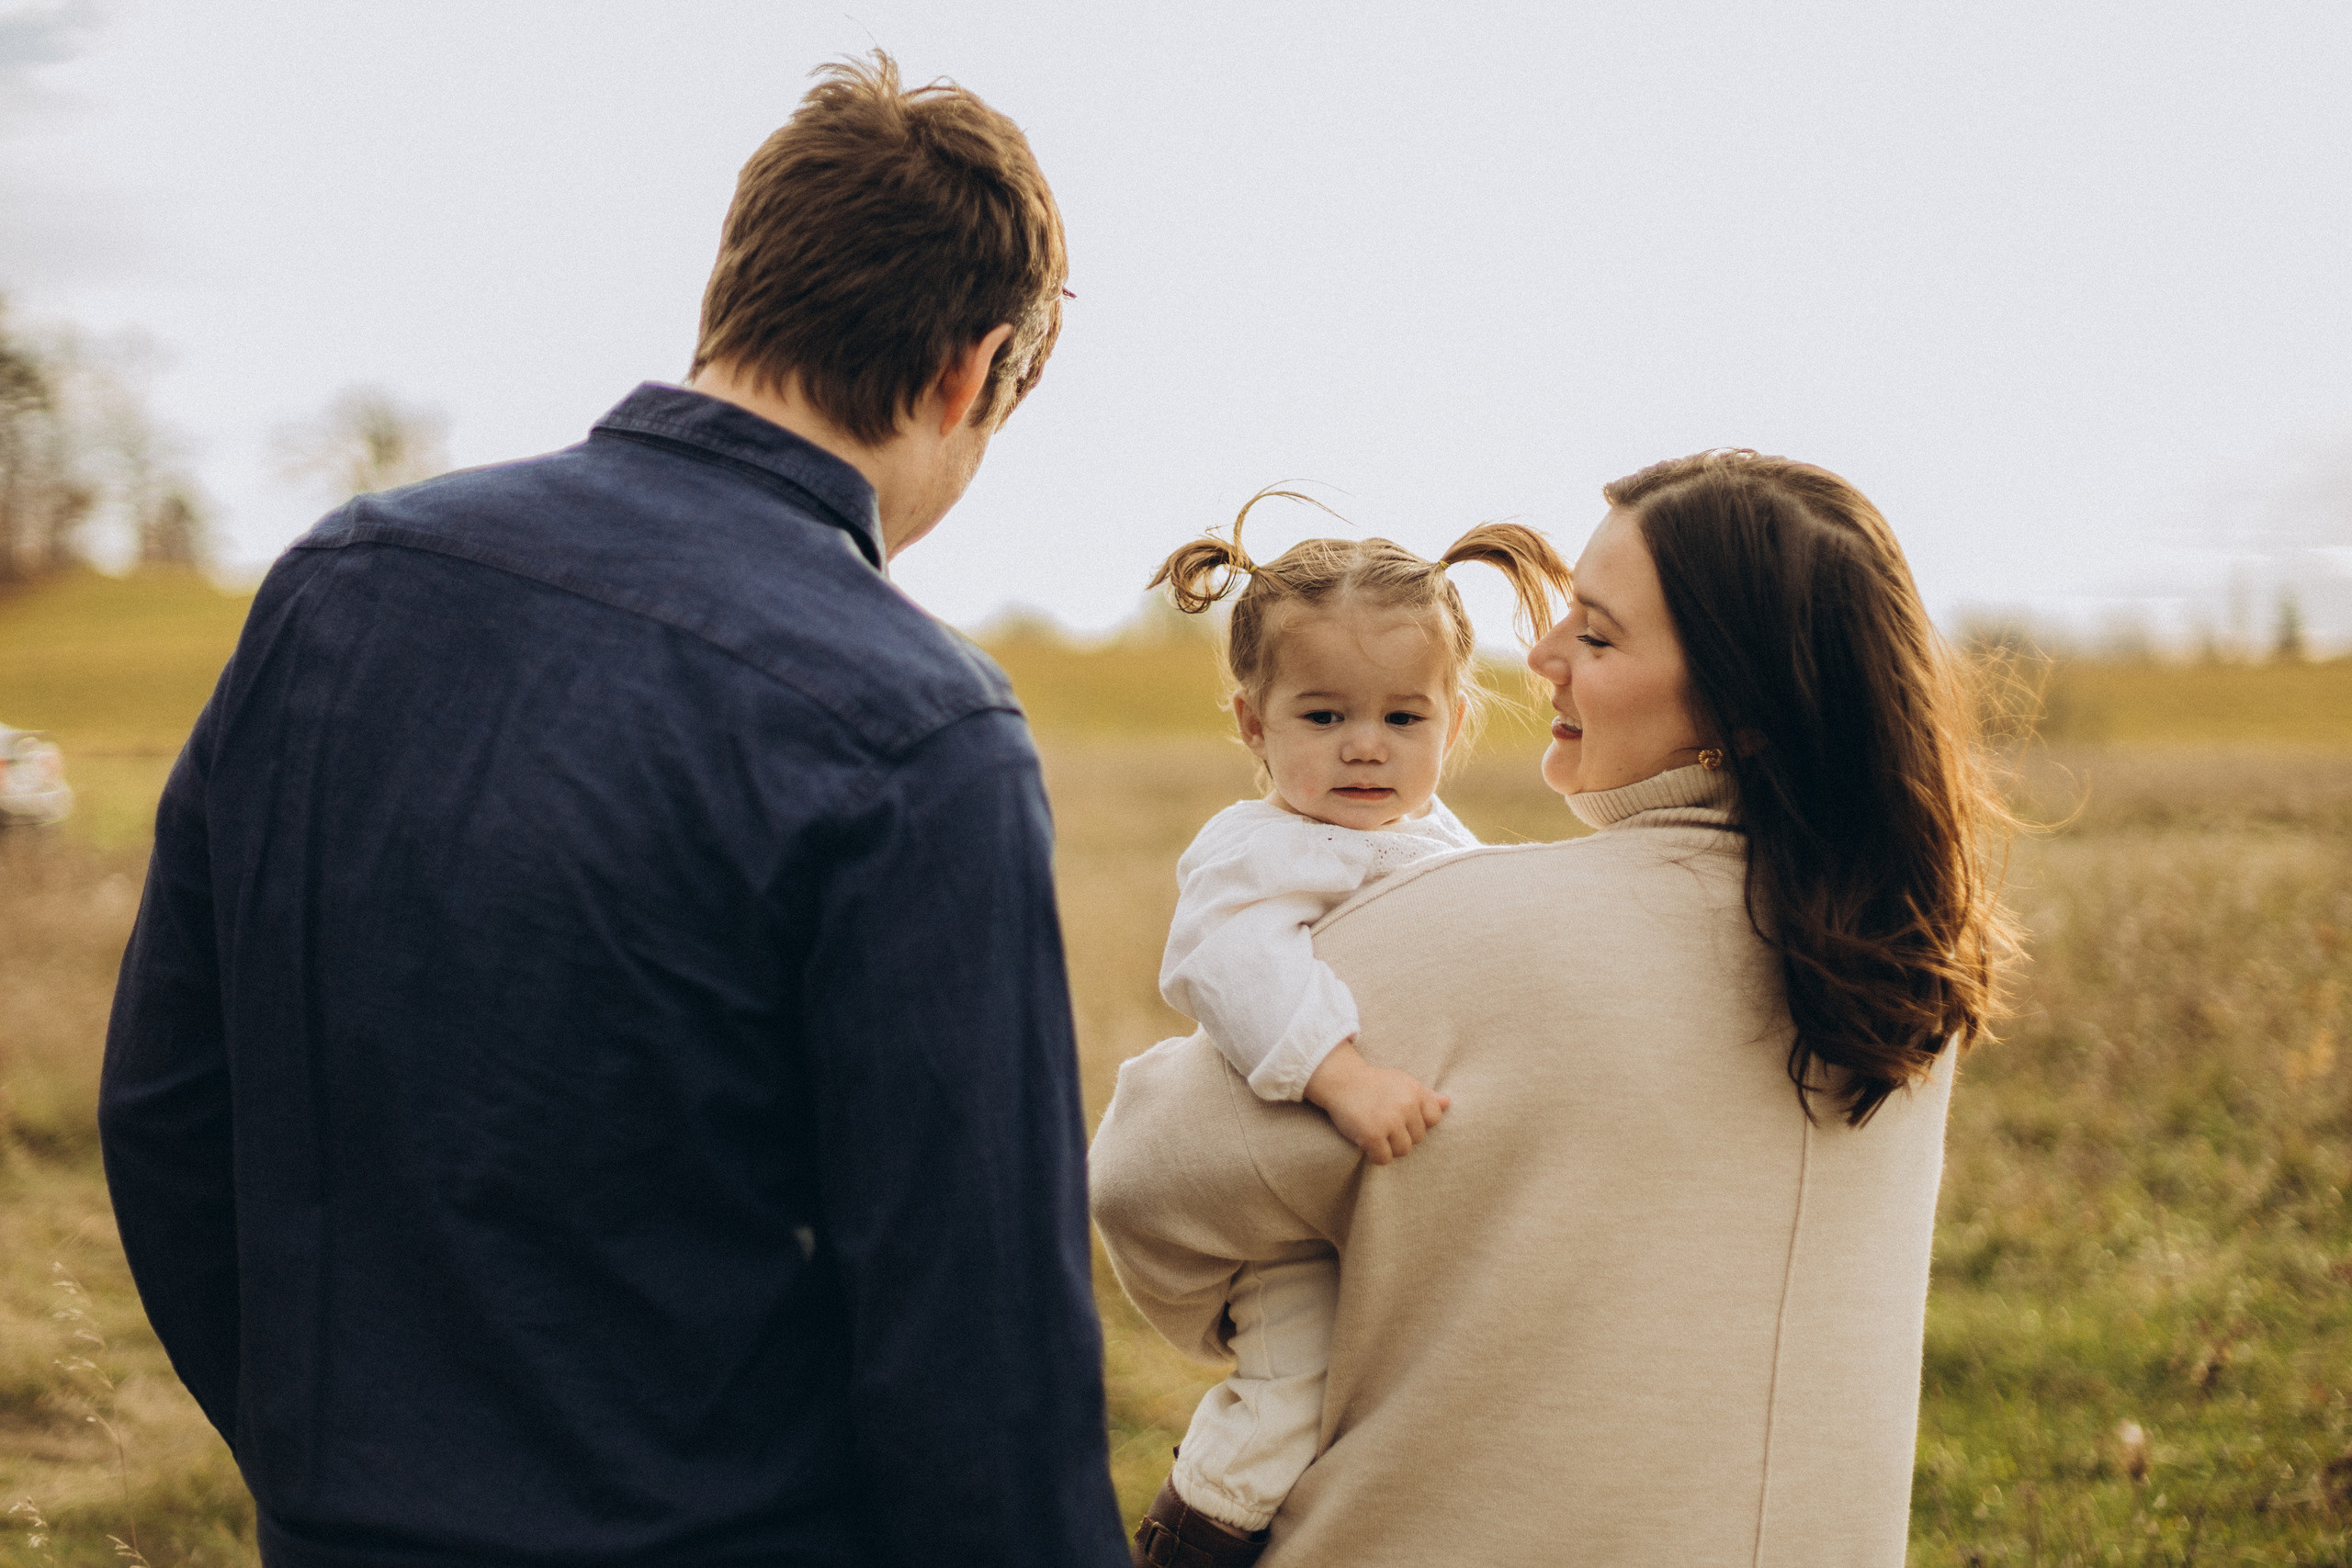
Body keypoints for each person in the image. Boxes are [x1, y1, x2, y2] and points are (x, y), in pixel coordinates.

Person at [100, 53, 1128, 1568]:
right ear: (970, 372)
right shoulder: (921, 730)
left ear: (736, 295)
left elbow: (169, 1107)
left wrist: (334, 1469)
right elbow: (978, 1358)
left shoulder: (341, 580)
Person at [1094, 449, 2016, 1566]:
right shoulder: (1896, 964)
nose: (1536, 657)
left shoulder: (1467, 932)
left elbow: (1147, 1176)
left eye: (1595, 632)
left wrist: (1324, 1315)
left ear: (1743, 699)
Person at [1128, 495, 1570, 1562]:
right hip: (1290, 1221)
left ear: (1455, 723)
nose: (1364, 749)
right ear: (1253, 724)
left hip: (1389, 1201)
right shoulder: (1260, 848)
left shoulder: (1434, 838)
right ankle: (1192, 1538)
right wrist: (1342, 1078)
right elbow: (1231, 967)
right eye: (1323, 718)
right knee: (1292, 1394)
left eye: (1401, 719)